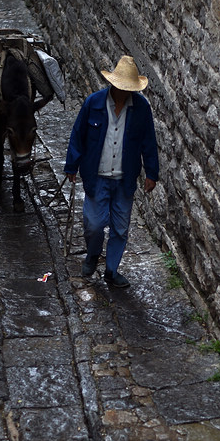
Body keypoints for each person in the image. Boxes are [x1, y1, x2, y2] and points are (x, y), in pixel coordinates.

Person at [63, 55, 159, 287]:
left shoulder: (141, 109)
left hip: (124, 178)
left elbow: (148, 141)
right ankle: (93, 254)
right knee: (94, 224)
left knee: (120, 227)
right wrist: (72, 165)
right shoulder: (93, 103)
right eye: (122, 88)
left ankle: (112, 270)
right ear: (113, 84)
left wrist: (151, 173)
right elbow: (78, 135)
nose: (125, 93)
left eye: (129, 89)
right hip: (97, 176)